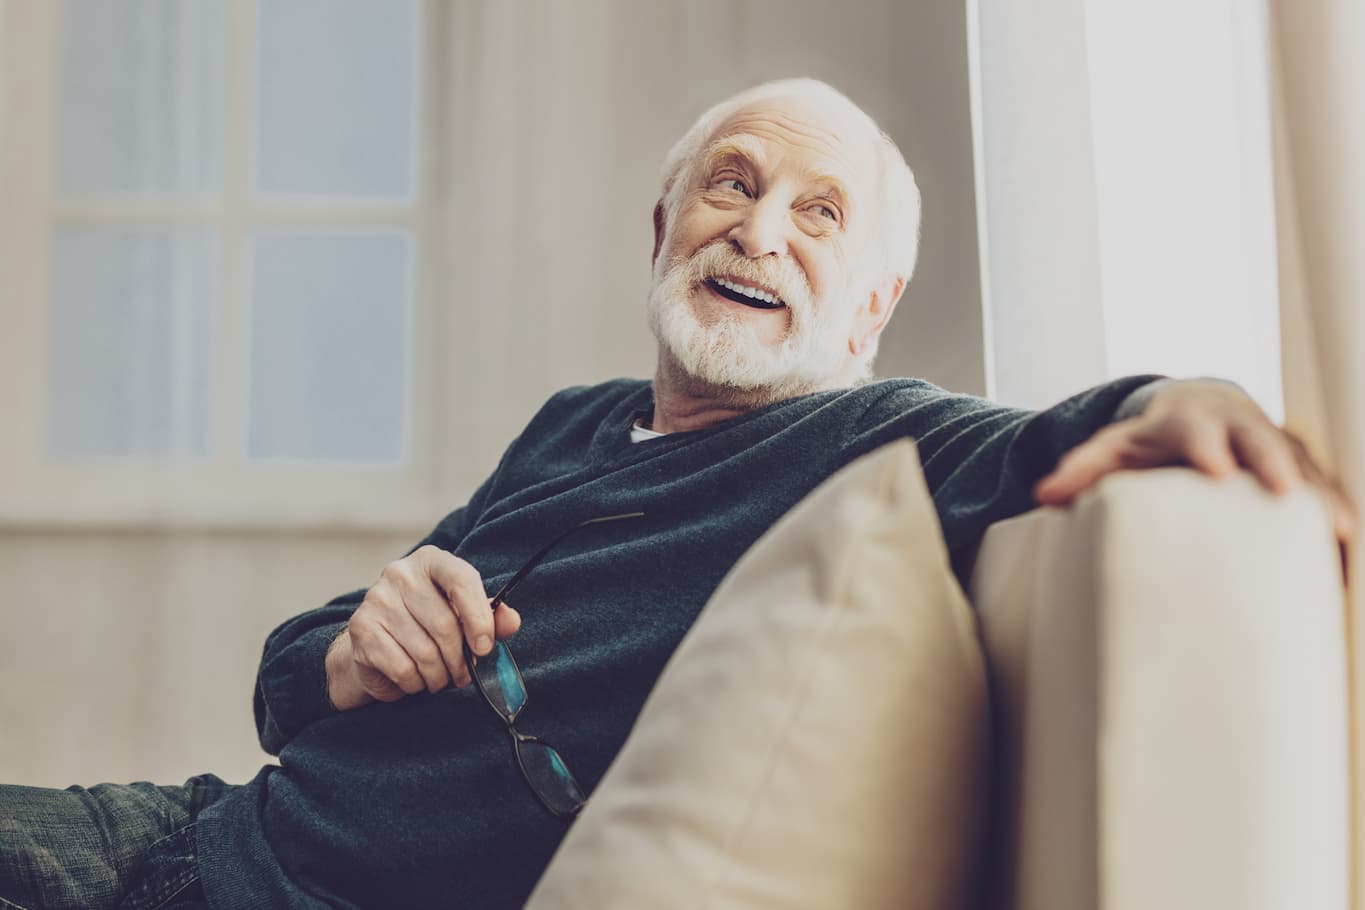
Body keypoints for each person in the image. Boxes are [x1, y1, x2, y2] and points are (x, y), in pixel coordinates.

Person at [1, 78, 1353, 910]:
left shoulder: (877, 442)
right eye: (732, 183)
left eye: (819, 215)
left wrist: (1185, 399)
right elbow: (286, 690)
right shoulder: (574, 424)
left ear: (873, 303)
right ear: (663, 232)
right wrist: (347, 651)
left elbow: (1039, 438)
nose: (759, 228)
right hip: (200, 824)